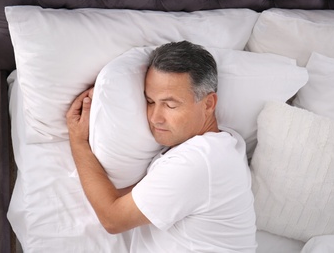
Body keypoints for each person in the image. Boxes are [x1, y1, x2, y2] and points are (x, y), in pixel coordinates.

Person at [66, 40, 257, 252]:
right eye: (150, 102)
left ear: (209, 104)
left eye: (170, 104)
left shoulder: (200, 161)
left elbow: (113, 219)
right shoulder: (225, 145)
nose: (155, 117)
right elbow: (127, 198)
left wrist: (78, 141)